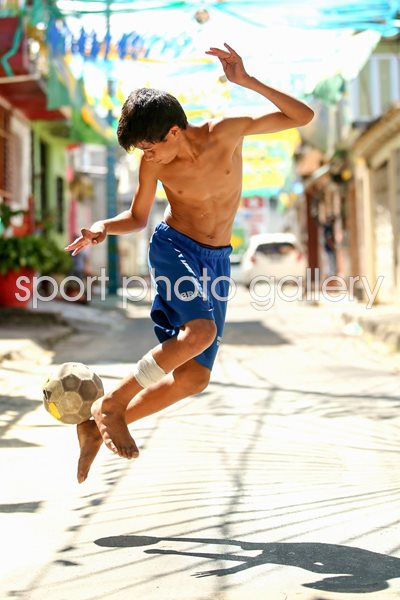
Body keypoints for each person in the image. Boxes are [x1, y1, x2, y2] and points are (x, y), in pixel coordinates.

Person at [65, 43, 314, 483]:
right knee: (200, 332)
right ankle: (113, 404)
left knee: (194, 379)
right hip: (174, 246)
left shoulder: (228, 132)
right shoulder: (153, 165)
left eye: (149, 145)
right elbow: (139, 217)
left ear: (174, 133)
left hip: (216, 259)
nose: (146, 154)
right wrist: (104, 224)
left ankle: (92, 427)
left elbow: (302, 117)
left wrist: (247, 81)